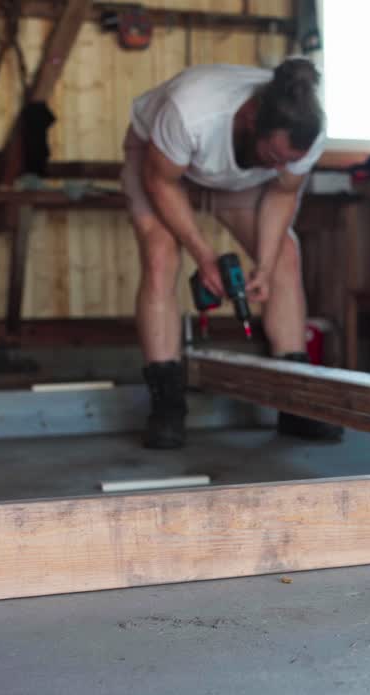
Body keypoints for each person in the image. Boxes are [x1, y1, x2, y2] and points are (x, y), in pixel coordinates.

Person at [121, 58, 343, 449]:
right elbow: (162, 183)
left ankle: (294, 403)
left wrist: (266, 264)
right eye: (275, 157)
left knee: (285, 255)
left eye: (288, 162)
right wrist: (204, 255)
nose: (282, 166)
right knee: (161, 254)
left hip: (230, 174)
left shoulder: (304, 136)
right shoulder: (191, 110)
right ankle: (167, 406)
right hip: (161, 164)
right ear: (251, 118)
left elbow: (282, 191)